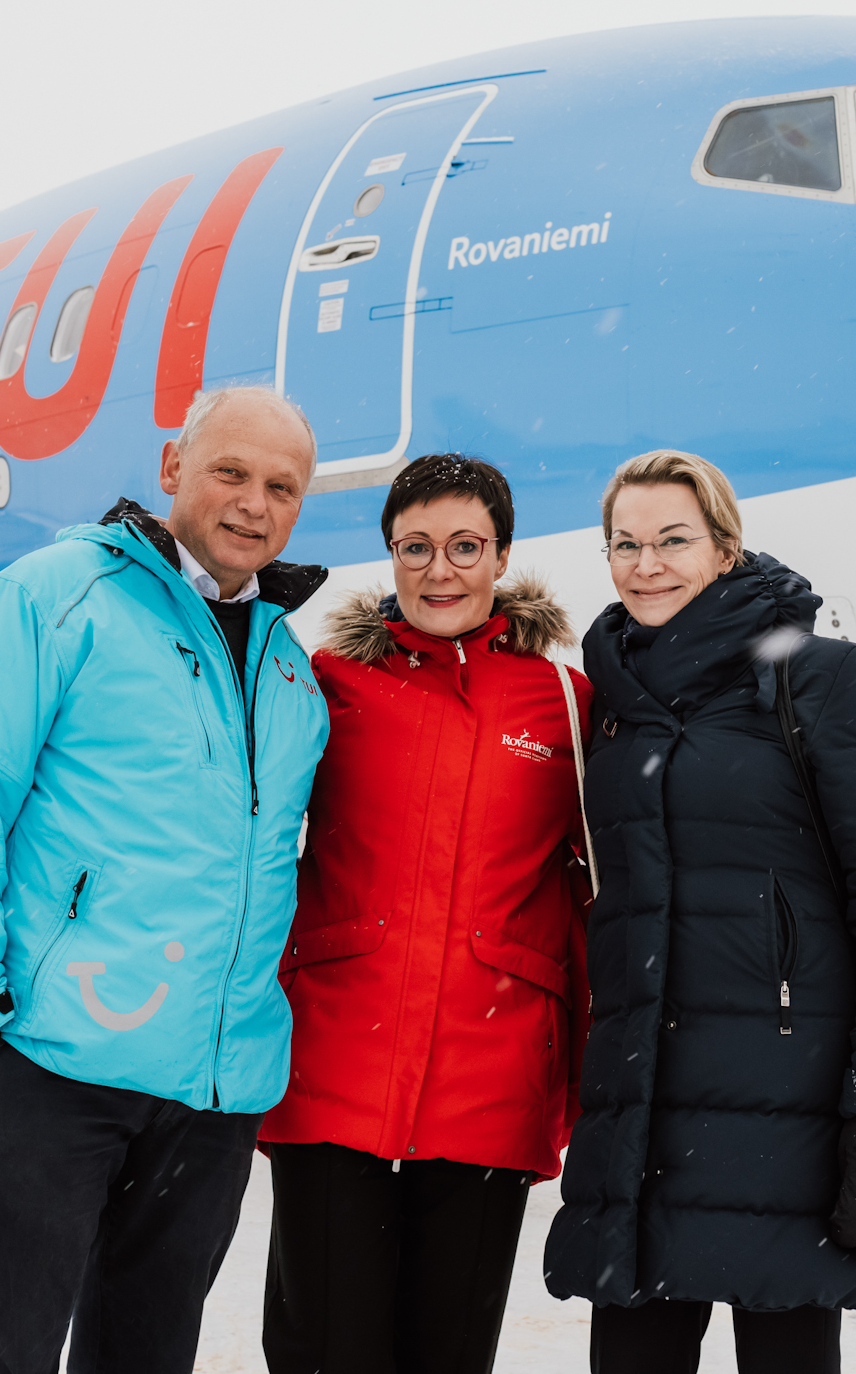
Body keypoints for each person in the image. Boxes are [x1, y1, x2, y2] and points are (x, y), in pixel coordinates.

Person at [0, 385, 332, 1374]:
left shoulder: (288, 666)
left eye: (282, 486)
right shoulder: (57, 594)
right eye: (231, 471)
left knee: (146, 1353)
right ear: (173, 468)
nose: (255, 503)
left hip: (212, 1092)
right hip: (53, 1064)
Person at [542, 450, 856, 1374]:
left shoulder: (821, 681)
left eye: (673, 540)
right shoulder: (607, 703)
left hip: (791, 1119)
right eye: (626, 543)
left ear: (727, 548)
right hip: (646, 1114)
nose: (646, 563)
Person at [261, 453, 594, 1374]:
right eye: (417, 547)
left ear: (501, 556)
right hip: (336, 1060)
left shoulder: (561, 701)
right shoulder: (326, 685)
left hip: (492, 1077)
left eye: (464, 546)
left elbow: (605, 881)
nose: (440, 570)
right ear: (389, 555)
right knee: (325, 1348)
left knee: (448, 1352)